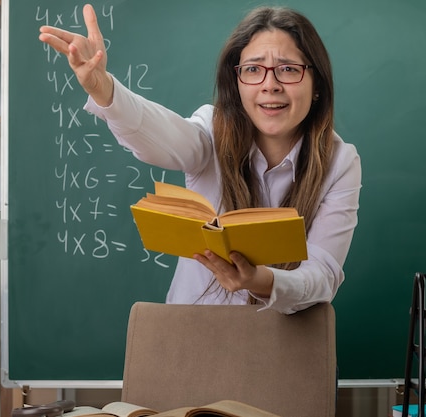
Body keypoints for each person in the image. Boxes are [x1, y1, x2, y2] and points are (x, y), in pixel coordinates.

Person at [39, 4, 361, 314]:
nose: (270, 85)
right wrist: (104, 88)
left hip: (284, 345)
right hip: (194, 338)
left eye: (288, 69)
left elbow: (323, 276)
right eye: (253, 69)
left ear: (316, 84)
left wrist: (258, 280)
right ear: (236, 84)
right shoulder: (211, 130)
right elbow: (161, 136)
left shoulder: (339, 161)